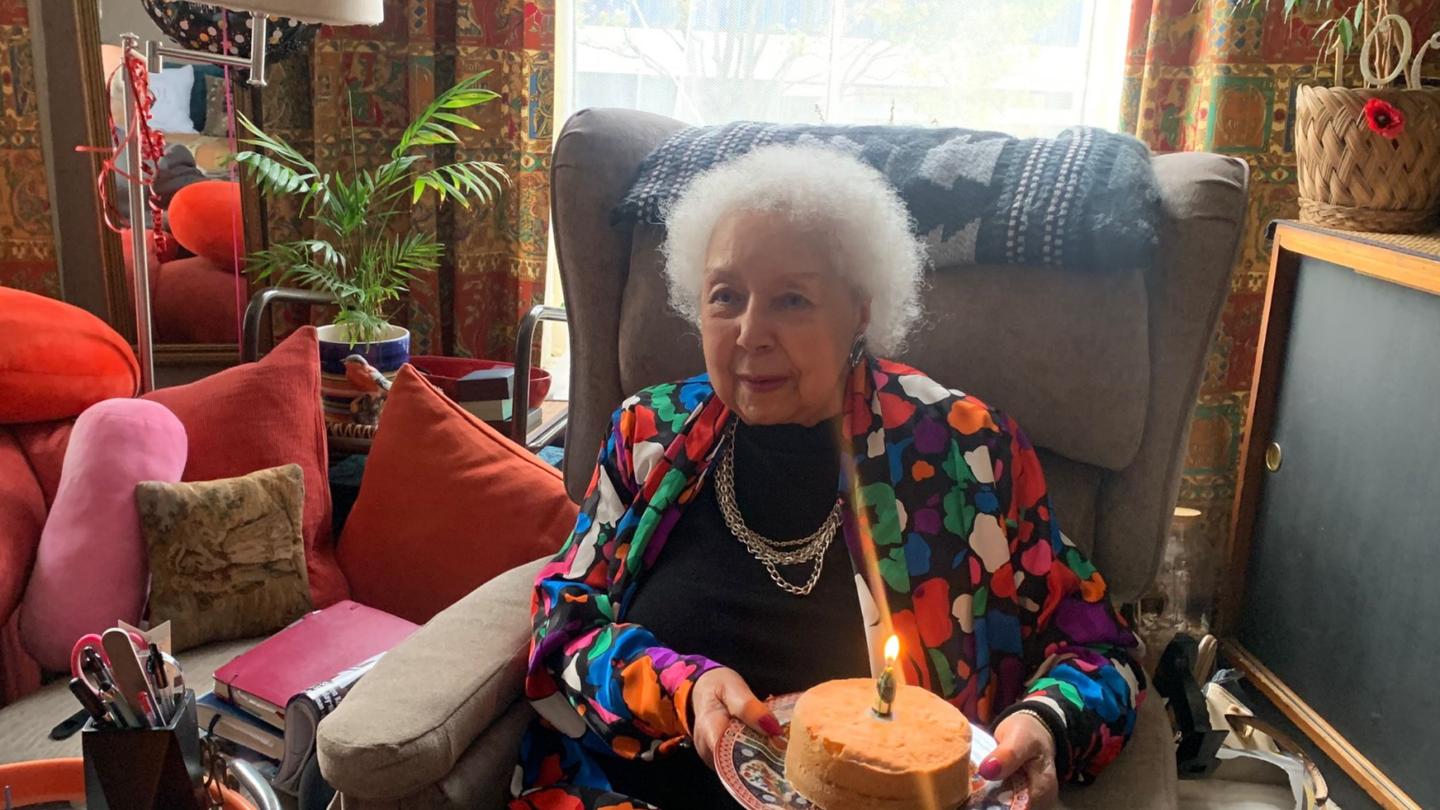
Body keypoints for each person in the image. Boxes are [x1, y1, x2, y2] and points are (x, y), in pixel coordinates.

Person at [511, 144, 1144, 810]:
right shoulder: (649, 434)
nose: (751, 333)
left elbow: (1102, 650)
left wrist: (1046, 722)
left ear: (860, 308)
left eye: (792, 299)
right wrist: (681, 686)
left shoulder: (968, 452)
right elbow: (566, 618)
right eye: (726, 295)